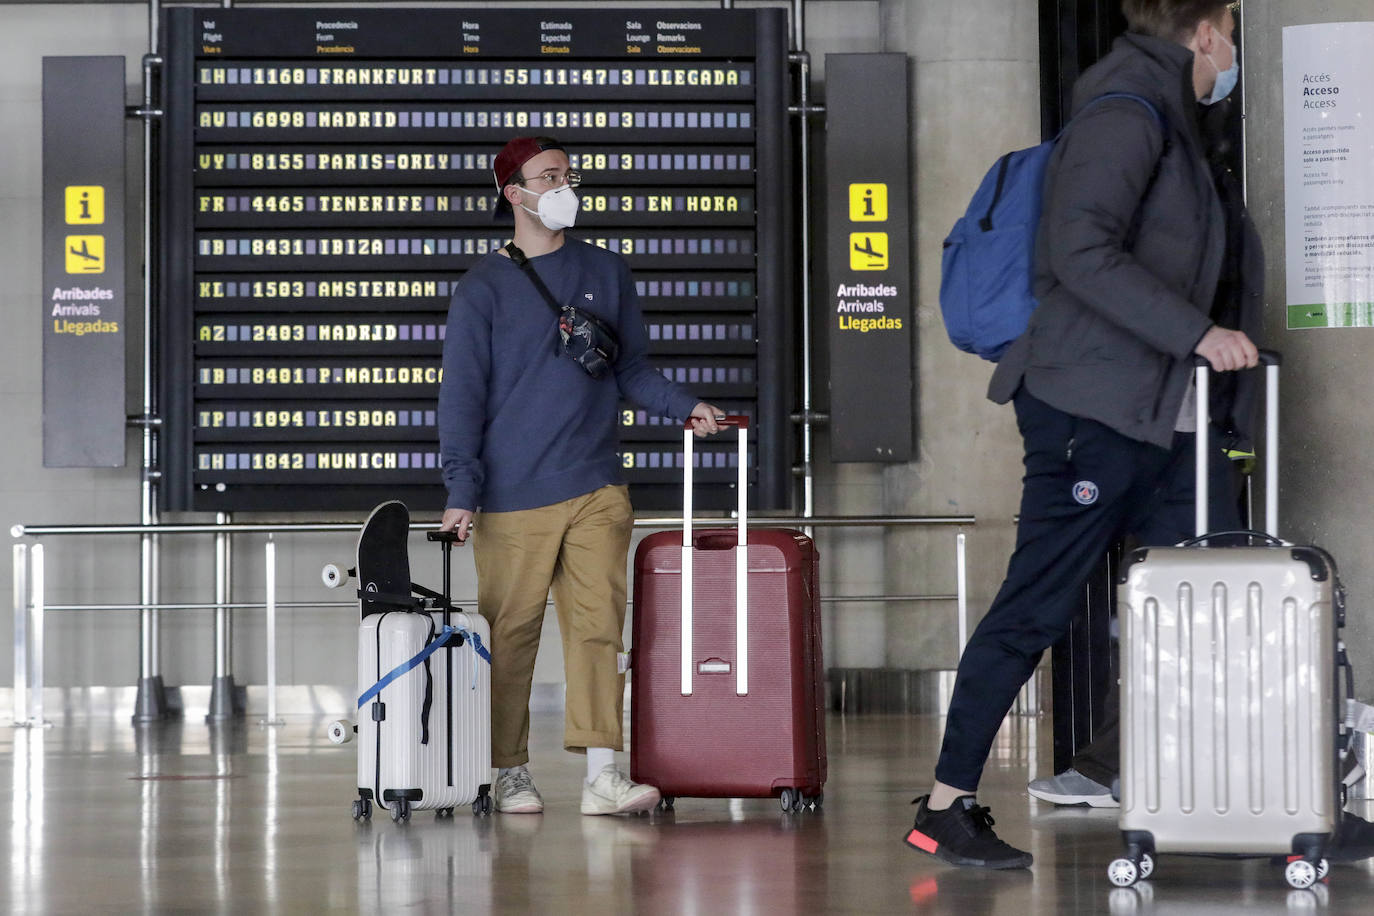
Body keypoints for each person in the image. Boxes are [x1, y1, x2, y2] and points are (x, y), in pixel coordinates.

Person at [905, 0, 1263, 868]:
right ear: (1209, 31)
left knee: (1206, 605)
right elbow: (1079, 248)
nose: (1235, 51)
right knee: (1038, 604)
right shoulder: (1125, 111)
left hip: (1163, 410)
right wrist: (1196, 334)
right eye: (1235, 33)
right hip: (1087, 410)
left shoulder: (1177, 120)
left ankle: (1247, 792)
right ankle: (946, 807)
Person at [438, 135, 723, 816]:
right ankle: (508, 769)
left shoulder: (607, 270)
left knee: (599, 630)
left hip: (596, 484)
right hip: (512, 496)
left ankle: (603, 771)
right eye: (549, 175)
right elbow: (461, 397)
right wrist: (461, 492)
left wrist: (686, 407)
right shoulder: (483, 288)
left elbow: (631, 370)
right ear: (514, 193)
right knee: (511, 636)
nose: (565, 185)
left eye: (568, 173)